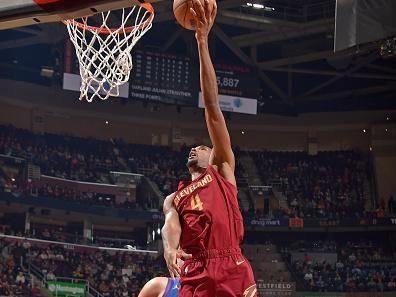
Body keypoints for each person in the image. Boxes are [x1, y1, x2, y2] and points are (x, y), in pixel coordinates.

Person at [161, 0, 257, 296]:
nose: (196, 148)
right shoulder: (174, 198)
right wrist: (169, 248)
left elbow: (213, 106)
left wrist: (202, 41)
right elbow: (170, 226)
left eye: (203, 146)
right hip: (196, 270)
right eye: (194, 147)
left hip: (231, 264)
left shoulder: (223, 169)